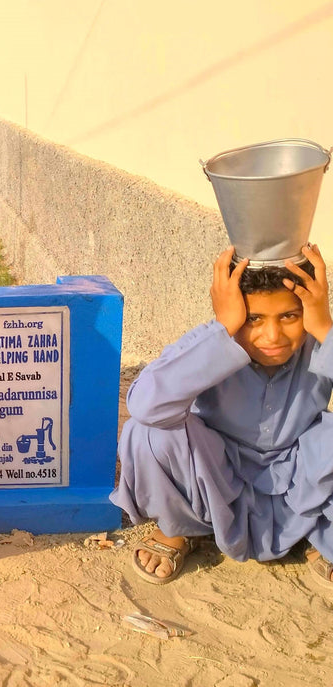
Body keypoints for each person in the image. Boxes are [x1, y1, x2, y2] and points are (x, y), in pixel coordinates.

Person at [112, 243, 333, 586]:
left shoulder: (319, 340)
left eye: (289, 316)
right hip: (215, 481)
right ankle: (179, 528)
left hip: (301, 482)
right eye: (253, 319)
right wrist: (224, 329)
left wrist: (324, 329)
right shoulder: (213, 342)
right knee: (148, 432)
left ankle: (322, 536)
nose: (272, 336)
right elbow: (145, 406)